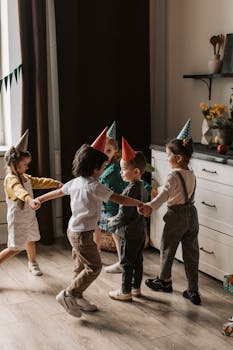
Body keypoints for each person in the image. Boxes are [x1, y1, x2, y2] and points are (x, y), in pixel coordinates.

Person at [35, 128, 144, 318]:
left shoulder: (76, 181)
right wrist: (139, 203)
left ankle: (77, 296)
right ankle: (69, 294)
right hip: (82, 234)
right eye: (102, 166)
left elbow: (58, 192)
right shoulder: (95, 186)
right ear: (95, 168)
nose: (104, 169)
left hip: (73, 231)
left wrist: (40, 200)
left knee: (79, 266)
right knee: (94, 267)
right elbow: (119, 198)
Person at [140, 119, 201, 305]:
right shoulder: (191, 173)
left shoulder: (173, 175)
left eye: (168, 155)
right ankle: (193, 290)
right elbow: (180, 193)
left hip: (177, 216)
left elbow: (166, 194)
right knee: (192, 253)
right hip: (192, 215)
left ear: (178, 158)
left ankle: (164, 280)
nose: (167, 158)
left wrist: (150, 205)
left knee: (167, 248)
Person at [1, 130, 62, 276]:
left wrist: (54, 183)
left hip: (29, 216)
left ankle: (32, 262)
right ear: (14, 164)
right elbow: (19, 191)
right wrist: (30, 199)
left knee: (31, 240)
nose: (27, 167)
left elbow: (38, 181)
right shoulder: (11, 180)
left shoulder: (24, 176)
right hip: (18, 219)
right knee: (15, 248)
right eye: (25, 164)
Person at [108, 137, 148, 301]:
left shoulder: (129, 191)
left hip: (130, 233)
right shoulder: (143, 187)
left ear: (136, 172)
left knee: (126, 262)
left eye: (124, 169)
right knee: (138, 260)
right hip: (140, 231)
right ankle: (136, 288)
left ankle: (125, 292)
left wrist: (113, 221)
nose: (121, 172)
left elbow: (124, 215)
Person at [94, 122, 126, 273]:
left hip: (112, 206)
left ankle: (122, 261)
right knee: (97, 228)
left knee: (116, 233)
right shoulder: (100, 166)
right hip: (101, 205)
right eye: (103, 150)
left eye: (109, 150)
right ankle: (96, 254)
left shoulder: (113, 168)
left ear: (115, 152)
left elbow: (104, 184)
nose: (105, 153)